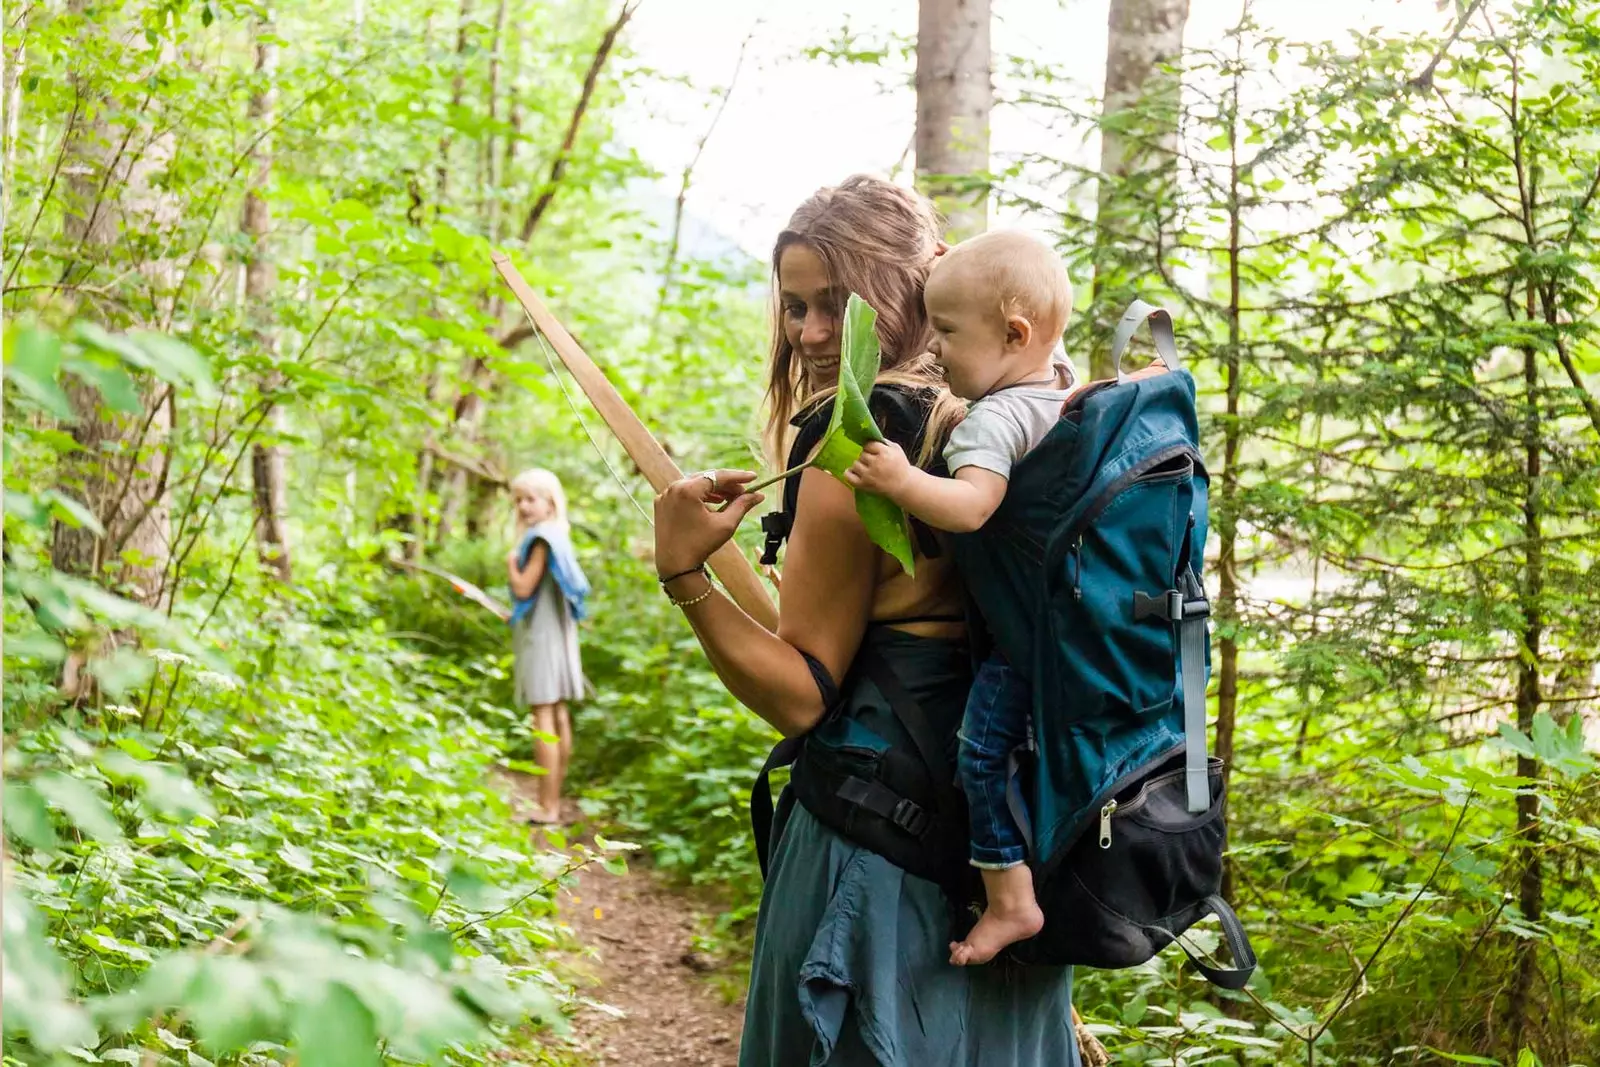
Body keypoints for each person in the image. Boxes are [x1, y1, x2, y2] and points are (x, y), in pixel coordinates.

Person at [652, 176, 1077, 1066]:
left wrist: (684, 570)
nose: (809, 334)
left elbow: (802, 693)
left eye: (835, 305)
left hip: (875, 870)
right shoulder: (1005, 422)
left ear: (911, 287)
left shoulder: (859, 443)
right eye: (796, 307)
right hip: (1006, 869)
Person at [843, 230, 1078, 966]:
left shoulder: (995, 419)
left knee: (979, 755)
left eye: (946, 330)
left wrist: (899, 481)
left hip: (1026, 641)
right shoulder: (1066, 388)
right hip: (1077, 631)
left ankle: (1012, 902)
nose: (935, 349)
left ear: (1015, 334)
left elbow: (972, 506)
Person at [506, 468, 589, 825]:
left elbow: (524, 588)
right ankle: (554, 798)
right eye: (518, 500)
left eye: (530, 499)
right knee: (556, 713)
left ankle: (548, 807)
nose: (523, 507)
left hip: (543, 638)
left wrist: (511, 564)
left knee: (543, 715)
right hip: (560, 635)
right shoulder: (559, 534)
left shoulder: (540, 539)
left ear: (550, 501)